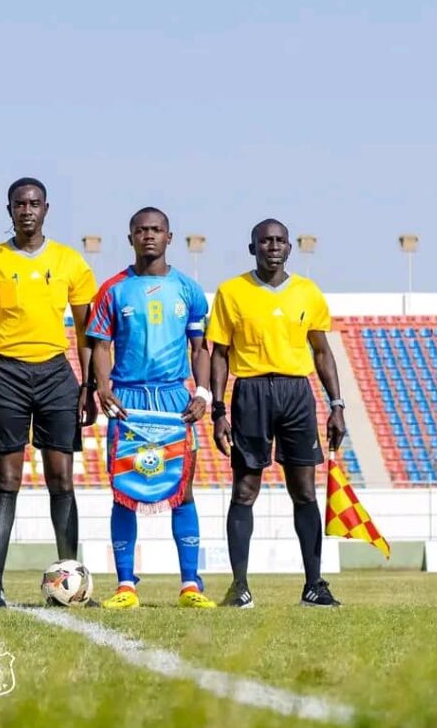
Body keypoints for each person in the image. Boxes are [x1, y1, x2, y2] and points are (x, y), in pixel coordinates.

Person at [0, 177, 98, 607]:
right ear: (9, 210)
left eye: (34, 203)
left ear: (46, 209)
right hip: (6, 373)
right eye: (20, 204)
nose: (27, 210)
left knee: (61, 479)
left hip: (57, 374)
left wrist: (89, 385)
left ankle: (72, 580)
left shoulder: (69, 262)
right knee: (7, 481)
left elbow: (86, 330)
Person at [208, 219, 346, 608]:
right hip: (250, 392)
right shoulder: (231, 292)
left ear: (289, 248)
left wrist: (336, 405)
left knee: (304, 491)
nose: (273, 246)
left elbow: (321, 351)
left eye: (279, 240)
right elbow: (219, 354)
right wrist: (218, 410)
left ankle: (314, 585)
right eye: (264, 240)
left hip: (296, 394)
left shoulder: (307, 292)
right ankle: (239, 586)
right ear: (252, 248)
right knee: (245, 490)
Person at [88, 208, 217, 609]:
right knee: (123, 491)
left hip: (175, 400)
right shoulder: (113, 290)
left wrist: (204, 393)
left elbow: (200, 348)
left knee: (184, 490)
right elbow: (100, 346)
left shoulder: (189, 290)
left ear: (169, 237)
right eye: (141, 230)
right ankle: (126, 585)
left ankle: (190, 585)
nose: (149, 236)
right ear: (130, 238)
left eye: (156, 230)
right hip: (129, 401)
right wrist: (104, 388)